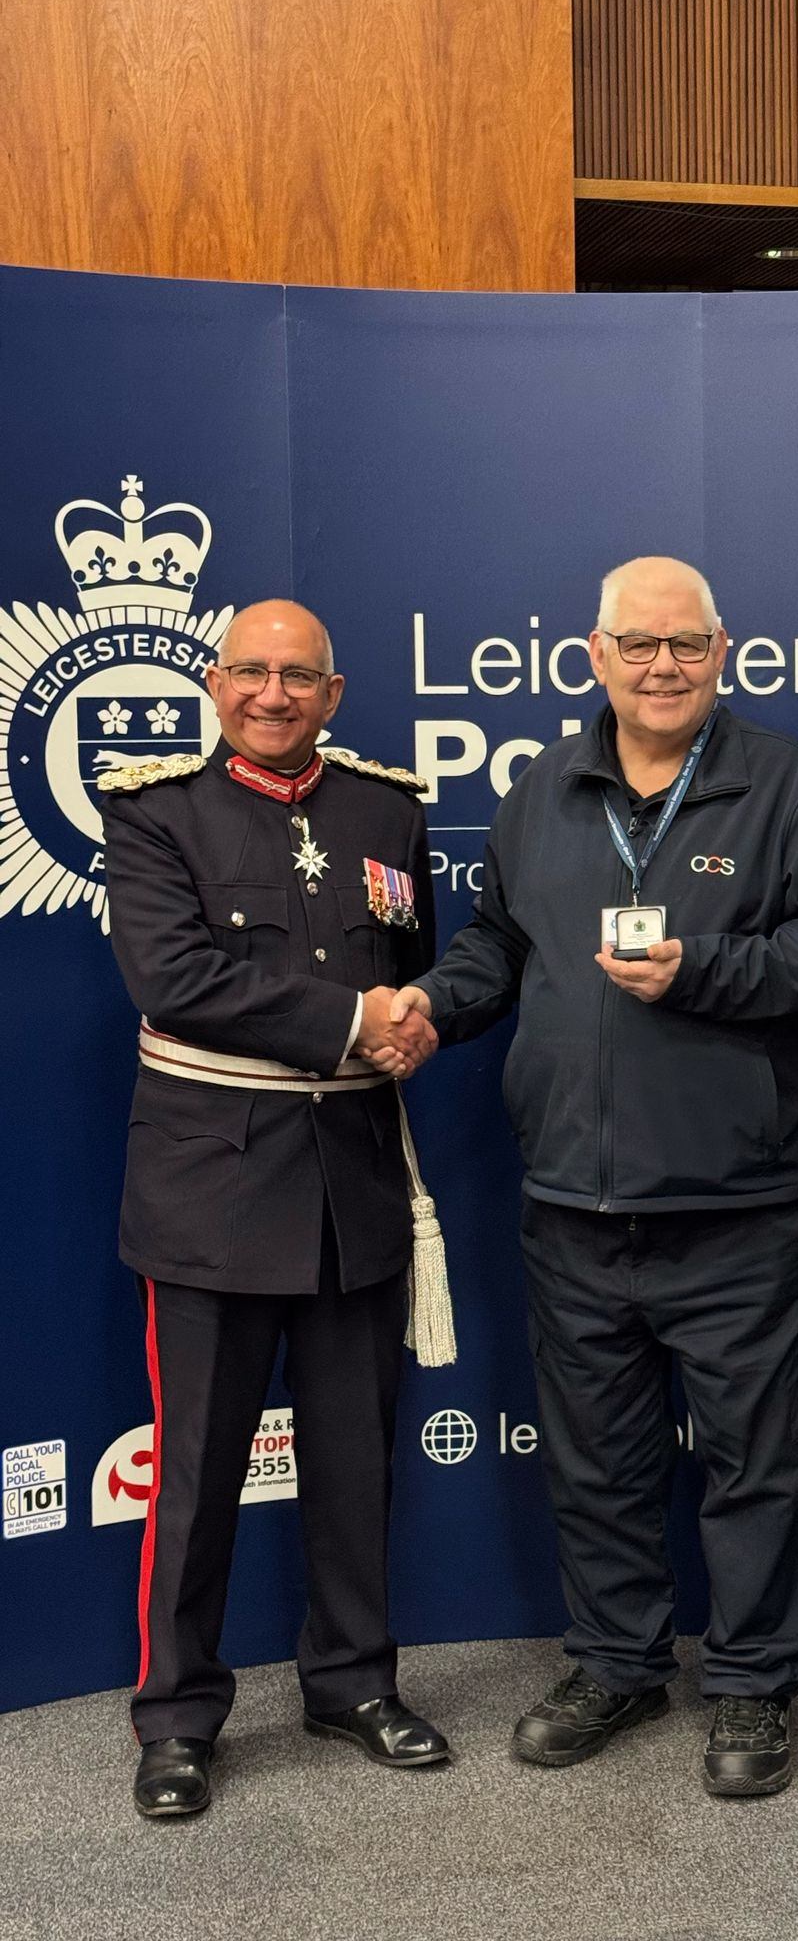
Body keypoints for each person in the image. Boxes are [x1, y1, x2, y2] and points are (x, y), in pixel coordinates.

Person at [391, 556, 798, 1798]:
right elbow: (500, 941)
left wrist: (705, 966)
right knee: (597, 1457)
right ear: (594, 656)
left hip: (738, 1201)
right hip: (570, 1197)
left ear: (724, 652)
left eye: (688, 645)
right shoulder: (541, 790)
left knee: (753, 1456)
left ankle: (756, 1683)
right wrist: (430, 1011)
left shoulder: (781, 781)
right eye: (638, 645)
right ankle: (615, 1661)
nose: (664, 666)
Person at [100, 599, 448, 1820]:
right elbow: (175, 978)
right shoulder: (154, 810)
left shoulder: (387, 807)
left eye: (299, 675)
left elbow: (415, 963)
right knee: (193, 1473)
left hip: (351, 1178)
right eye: (251, 670)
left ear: (335, 694)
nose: (273, 692)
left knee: (357, 1460)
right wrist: (360, 1022)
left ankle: (353, 1679)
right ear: (214, 678)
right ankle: (178, 1715)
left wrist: (411, 1023)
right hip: (212, 1183)